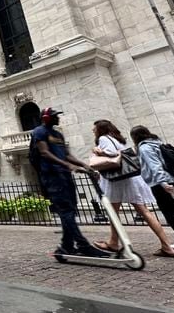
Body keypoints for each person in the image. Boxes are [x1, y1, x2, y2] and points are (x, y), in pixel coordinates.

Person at [90, 120, 174, 257]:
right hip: (130, 178)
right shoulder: (119, 139)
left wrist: (99, 152)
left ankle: (113, 242)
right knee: (144, 211)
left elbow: (113, 155)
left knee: (113, 212)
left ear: (101, 129)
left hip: (117, 180)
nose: (93, 130)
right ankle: (166, 246)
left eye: (95, 128)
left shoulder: (103, 138)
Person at [32, 107, 109, 258]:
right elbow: (44, 152)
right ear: (46, 118)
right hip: (52, 175)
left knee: (71, 209)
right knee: (66, 210)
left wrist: (84, 165)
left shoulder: (58, 134)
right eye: (55, 116)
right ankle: (83, 245)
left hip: (64, 175)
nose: (58, 118)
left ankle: (66, 246)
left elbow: (67, 154)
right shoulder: (39, 131)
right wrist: (67, 165)